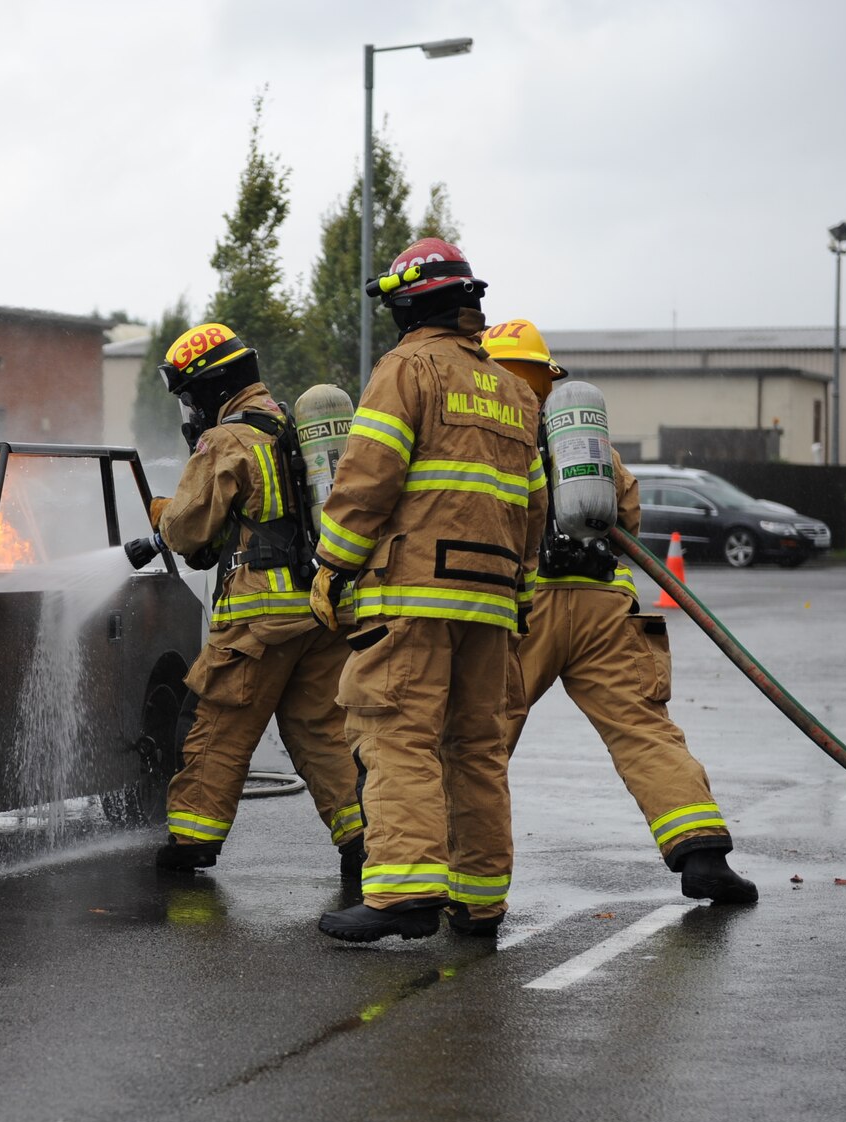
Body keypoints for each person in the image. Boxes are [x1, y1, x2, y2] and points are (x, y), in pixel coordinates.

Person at [310, 239, 546, 943]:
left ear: (411, 303)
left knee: (397, 733)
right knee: (476, 744)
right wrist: (520, 590)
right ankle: (478, 901)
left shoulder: (408, 367)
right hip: (492, 597)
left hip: (413, 590)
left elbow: (367, 477)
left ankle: (406, 890)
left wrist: (332, 565)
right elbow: (534, 506)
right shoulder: (512, 389)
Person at [481, 318, 757, 918]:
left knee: (484, 733)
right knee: (641, 727)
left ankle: (447, 870)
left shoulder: (485, 432)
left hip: (526, 603)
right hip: (605, 602)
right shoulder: (583, 440)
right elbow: (625, 512)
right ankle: (703, 854)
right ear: (545, 379)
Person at [148, 321, 365, 880]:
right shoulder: (291, 426)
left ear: (213, 388)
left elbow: (189, 531)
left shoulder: (227, 440)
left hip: (258, 620)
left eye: (191, 395)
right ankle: (362, 842)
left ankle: (192, 840)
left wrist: (160, 513)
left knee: (217, 723)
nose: (190, 409)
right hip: (318, 611)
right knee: (320, 731)